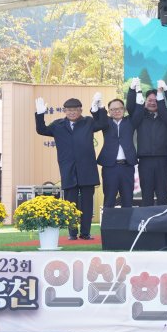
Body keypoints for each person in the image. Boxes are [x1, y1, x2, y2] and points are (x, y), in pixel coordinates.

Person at [35, 94, 108, 240]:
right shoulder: (58, 125)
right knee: (70, 204)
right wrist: (40, 114)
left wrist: (99, 108)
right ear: (64, 111)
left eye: (75, 109)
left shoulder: (88, 122)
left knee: (87, 204)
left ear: (81, 110)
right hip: (68, 170)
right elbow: (42, 130)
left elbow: (103, 124)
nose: (72, 112)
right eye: (69, 110)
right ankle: (72, 233)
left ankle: (85, 233)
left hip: (87, 169)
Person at [127, 78, 167, 206]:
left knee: (162, 195)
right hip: (145, 161)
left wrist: (166, 89)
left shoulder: (166, 116)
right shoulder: (139, 115)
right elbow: (130, 106)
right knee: (146, 195)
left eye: (156, 100)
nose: (152, 103)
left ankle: (163, 219)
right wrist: (132, 89)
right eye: (150, 100)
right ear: (145, 101)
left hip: (163, 160)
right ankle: (147, 218)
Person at [97, 97, 137, 209]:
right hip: (110, 167)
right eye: (113, 109)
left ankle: (127, 221)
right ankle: (108, 221)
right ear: (109, 111)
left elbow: (138, 110)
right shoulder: (105, 122)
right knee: (109, 198)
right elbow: (96, 115)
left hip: (127, 166)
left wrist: (136, 92)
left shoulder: (130, 121)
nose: (117, 111)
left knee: (127, 199)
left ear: (124, 110)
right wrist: (98, 106)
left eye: (119, 108)